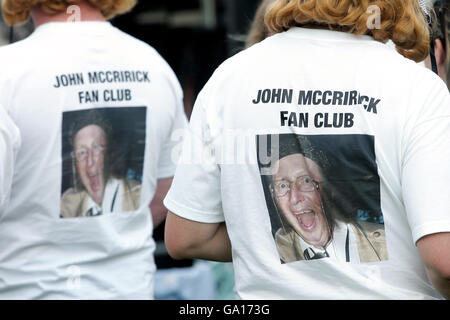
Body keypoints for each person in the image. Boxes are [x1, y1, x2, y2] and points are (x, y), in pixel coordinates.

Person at [164, 0, 450, 300]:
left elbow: (188, 237)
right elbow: (443, 259)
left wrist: (259, 240)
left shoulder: (228, 79)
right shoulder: (416, 87)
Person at [0, 0, 187, 299]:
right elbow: (169, 186)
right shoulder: (153, 65)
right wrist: (107, 228)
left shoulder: (8, 71)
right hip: (132, 289)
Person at [268, 134, 387, 263]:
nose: (294, 198)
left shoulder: (381, 245)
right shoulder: (269, 252)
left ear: (329, 188)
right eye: (283, 185)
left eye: (306, 181)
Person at [61, 110, 141, 217]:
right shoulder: (68, 205)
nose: (90, 162)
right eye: (82, 153)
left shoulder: (138, 197)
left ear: (109, 153)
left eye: (96, 148)